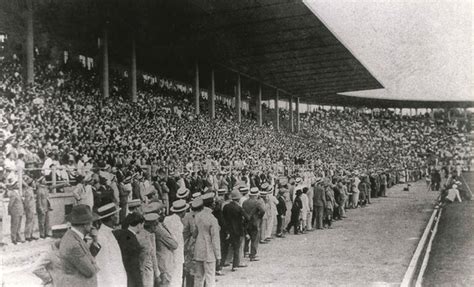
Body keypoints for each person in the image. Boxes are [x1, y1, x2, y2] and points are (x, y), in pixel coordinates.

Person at [58, 204, 101, 287]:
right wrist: (94, 265)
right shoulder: (73, 244)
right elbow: (90, 271)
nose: (92, 226)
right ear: (85, 225)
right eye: (91, 223)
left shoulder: (74, 236)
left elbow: (87, 256)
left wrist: (95, 241)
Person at [95, 203, 127, 287]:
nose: (118, 216)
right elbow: (104, 265)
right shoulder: (101, 237)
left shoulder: (109, 233)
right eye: (116, 214)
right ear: (112, 217)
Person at [193, 197, 221, 287]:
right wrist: (218, 255)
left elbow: (194, 234)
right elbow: (215, 239)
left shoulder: (197, 216)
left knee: (198, 277)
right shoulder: (212, 219)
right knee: (210, 277)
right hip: (209, 250)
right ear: (212, 205)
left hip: (198, 248)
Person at [113, 212, 145, 287]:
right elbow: (134, 266)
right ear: (139, 224)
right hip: (131, 279)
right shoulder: (133, 241)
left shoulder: (118, 233)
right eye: (142, 225)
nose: (142, 228)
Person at [222, 190, 248, 272]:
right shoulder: (239, 208)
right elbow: (247, 218)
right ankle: (235, 265)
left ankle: (224, 262)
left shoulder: (226, 207)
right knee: (237, 248)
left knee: (226, 247)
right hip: (237, 230)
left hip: (228, 229)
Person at [164, 200, 188, 287]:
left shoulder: (167, 219)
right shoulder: (179, 224)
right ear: (182, 212)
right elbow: (179, 242)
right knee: (177, 277)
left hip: (167, 252)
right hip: (177, 253)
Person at [155, 203, 178, 287]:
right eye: (161, 213)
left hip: (161, 262)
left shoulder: (158, 227)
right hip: (164, 263)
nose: (164, 215)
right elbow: (174, 245)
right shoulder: (160, 229)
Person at [242, 187, 265, 261]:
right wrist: (259, 217)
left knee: (247, 237)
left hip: (246, 222)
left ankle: (245, 251)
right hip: (255, 222)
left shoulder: (245, 202)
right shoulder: (257, 202)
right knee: (254, 239)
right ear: (256, 194)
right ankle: (252, 255)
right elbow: (262, 211)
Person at [6, 175, 24, 244]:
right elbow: (10, 204)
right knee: (14, 226)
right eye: (16, 184)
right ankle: (14, 239)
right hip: (15, 212)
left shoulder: (18, 193)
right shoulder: (13, 194)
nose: (18, 185)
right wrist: (9, 211)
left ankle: (18, 238)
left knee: (18, 226)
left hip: (19, 211)